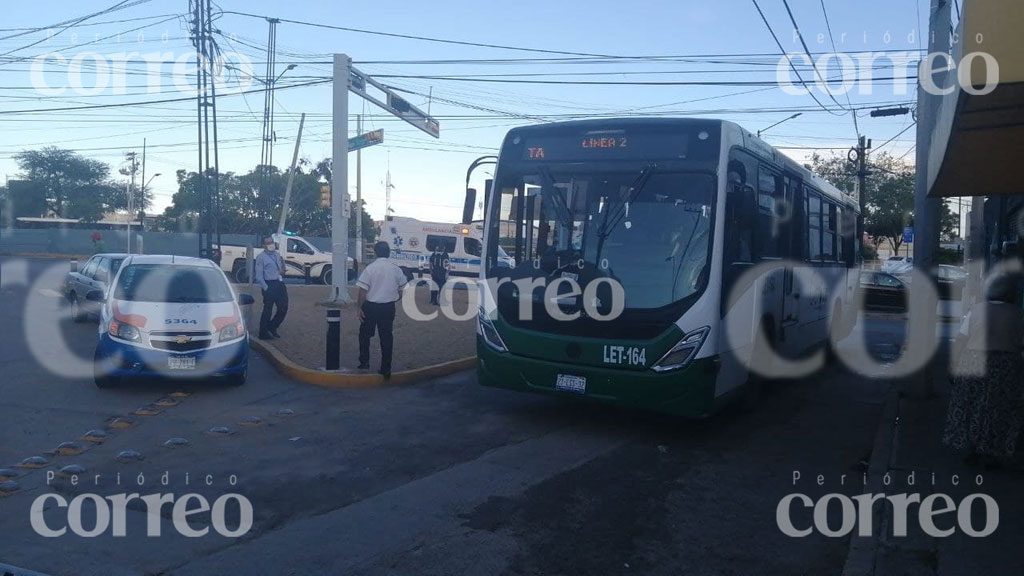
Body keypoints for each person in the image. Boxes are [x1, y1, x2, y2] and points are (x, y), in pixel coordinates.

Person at [943, 275, 1024, 467]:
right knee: (998, 408)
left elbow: (961, 340)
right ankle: (992, 451)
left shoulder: (977, 310)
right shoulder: (1017, 314)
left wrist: (952, 365)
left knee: (970, 404)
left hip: (974, 357)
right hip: (1004, 364)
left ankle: (971, 447)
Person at [356, 241, 408, 378]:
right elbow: (403, 289)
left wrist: (359, 308)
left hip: (370, 307)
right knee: (386, 337)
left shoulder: (370, 268)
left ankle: (364, 362)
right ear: (389, 252)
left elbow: (362, 290)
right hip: (388, 307)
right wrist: (395, 298)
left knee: (364, 335)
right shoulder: (396, 269)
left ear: (375, 252)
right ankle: (386, 368)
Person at [254, 235, 288, 340]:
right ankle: (263, 332)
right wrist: (266, 288)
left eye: (272, 242)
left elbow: (279, 268)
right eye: (268, 243)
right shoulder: (261, 257)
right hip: (269, 284)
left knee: (283, 308)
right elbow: (259, 276)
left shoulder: (277, 255)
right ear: (263, 245)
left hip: (279, 283)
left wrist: (282, 272)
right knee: (268, 310)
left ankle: (272, 326)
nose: (271, 245)